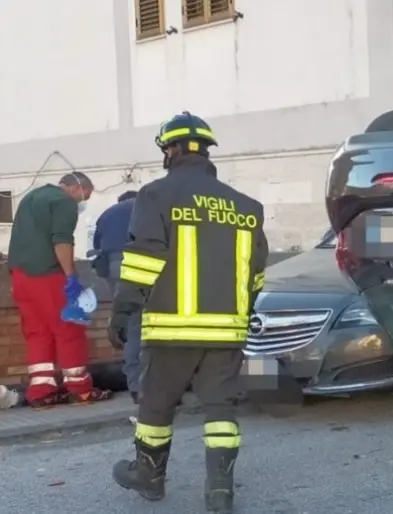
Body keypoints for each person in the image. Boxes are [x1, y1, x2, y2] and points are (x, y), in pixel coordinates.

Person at [108, 111, 268, 514]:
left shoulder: (156, 195)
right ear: (206, 150)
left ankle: (149, 477)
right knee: (220, 410)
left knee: (156, 405)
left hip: (171, 329)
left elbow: (145, 256)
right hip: (227, 332)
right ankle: (220, 494)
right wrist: (242, 316)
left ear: (171, 150)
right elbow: (256, 273)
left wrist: (124, 310)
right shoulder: (246, 206)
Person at [7, 172, 113, 408]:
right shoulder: (64, 202)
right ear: (76, 188)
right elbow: (62, 241)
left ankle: (41, 391)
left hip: (21, 276)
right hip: (49, 274)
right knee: (68, 328)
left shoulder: (31, 197)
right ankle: (79, 390)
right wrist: (71, 277)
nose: (83, 201)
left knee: (37, 331)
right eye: (86, 195)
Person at [93, 189, 143, 403]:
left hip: (113, 267)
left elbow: (97, 246)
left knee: (132, 320)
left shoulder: (107, 213)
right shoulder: (146, 208)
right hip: (142, 264)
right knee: (145, 324)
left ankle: (136, 385)